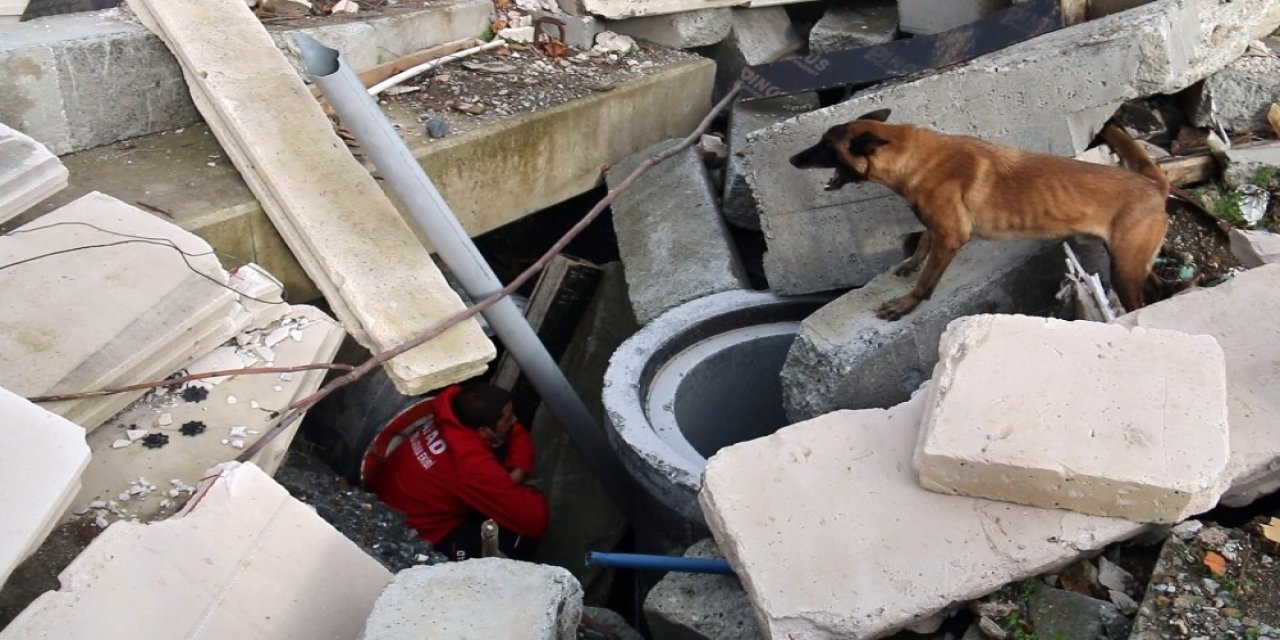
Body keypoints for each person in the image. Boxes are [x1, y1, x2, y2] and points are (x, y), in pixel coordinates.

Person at [367, 382, 548, 561]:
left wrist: (516, 464)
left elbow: (514, 431)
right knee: (517, 538)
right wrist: (518, 476)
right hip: (418, 538)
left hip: (396, 506)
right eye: (508, 419)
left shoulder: (452, 413)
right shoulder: (470, 466)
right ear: (483, 430)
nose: (514, 420)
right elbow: (534, 520)